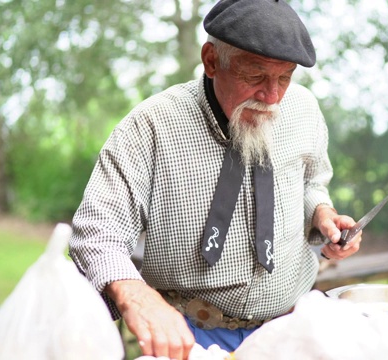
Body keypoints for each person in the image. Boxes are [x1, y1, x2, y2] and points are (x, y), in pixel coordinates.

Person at [69, 0, 362, 359]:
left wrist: (322, 213)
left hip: (291, 329)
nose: (272, 97)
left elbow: (312, 182)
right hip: (188, 336)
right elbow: (97, 232)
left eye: (284, 77)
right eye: (255, 75)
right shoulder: (150, 126)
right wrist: (136, 294)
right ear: (211, 61)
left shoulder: (304, 109)